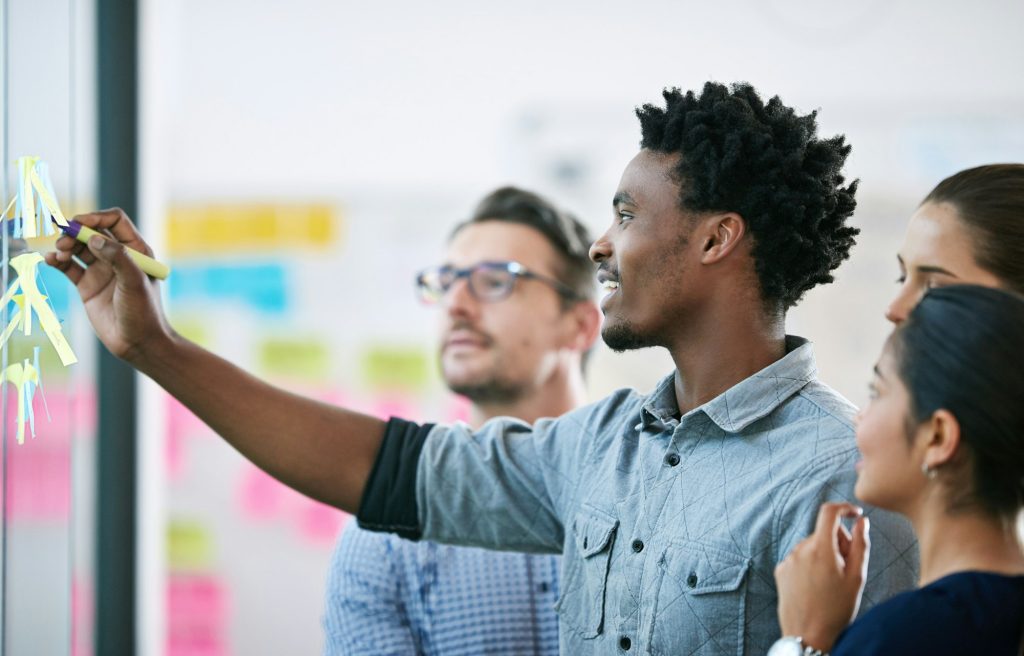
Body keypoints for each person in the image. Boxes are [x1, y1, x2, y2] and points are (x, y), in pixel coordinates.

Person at [48, 81, 917, 654]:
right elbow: (379, 468)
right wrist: (155, 348)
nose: (600, 243)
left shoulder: (841, 472)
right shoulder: (599, 447)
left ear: (717, 237)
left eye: (625, 212)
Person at [322, 187, 600, 655]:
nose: (456, 305)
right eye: (447, 281)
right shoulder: (387, 538)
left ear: (579, 326)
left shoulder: (650, 495)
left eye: (495, 281)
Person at [770, 163, 1024, 655]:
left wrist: (801, 644)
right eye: (901, 275)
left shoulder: (914, 631)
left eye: (933, 285)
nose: (894, 308)